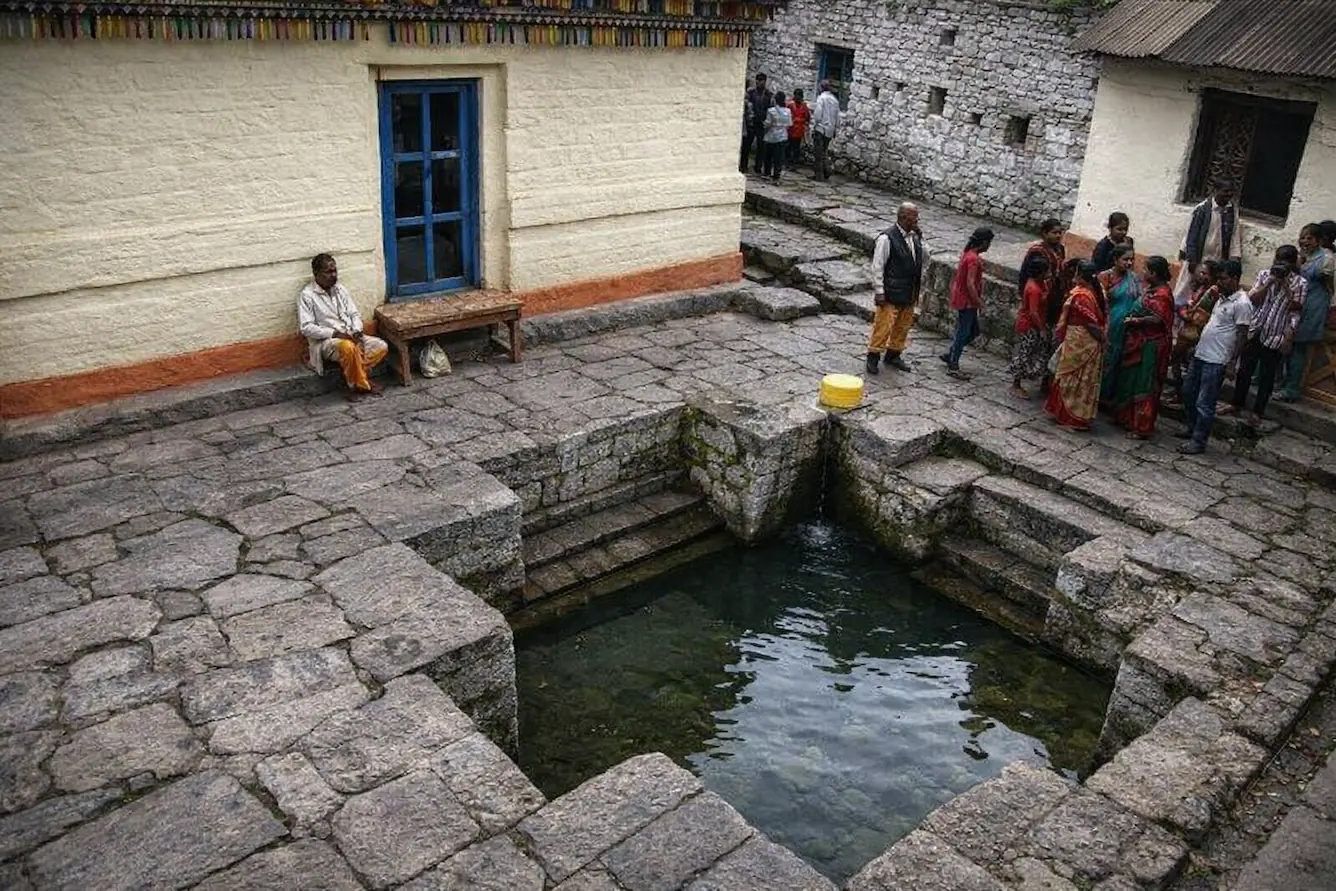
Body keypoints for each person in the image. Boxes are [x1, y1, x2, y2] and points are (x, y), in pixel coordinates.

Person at [1225, 246, 1307, 428]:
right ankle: (1236, 404)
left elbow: (1295, 310)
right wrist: (1270, 282)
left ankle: (1257, 412)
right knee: (1245, 370)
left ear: (1292, 264)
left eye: (1284, 263)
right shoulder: (1264, 275)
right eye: (1277, 260)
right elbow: (1252, 299)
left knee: (1266, 377)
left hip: (1276, 333)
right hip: (1256, 329)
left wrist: (1285, 285)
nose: (1279, 265)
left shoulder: (1300, 283)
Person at [1177, 261, 1250, 455]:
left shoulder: (1242, 303)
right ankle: (1192, 428)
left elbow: (1243, 335)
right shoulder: (1220, 297)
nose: (1220, 282)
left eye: (1224, 278)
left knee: (1205, 402)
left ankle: (1198, 441)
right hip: (1201, 353)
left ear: (1235, 278)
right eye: (1218, 278)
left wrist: (1232, 362)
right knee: (1187, 392)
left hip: (1217, 360)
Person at [298, 254, 389, 400]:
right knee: (348, 347)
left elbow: (354, 314)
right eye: (328, 272)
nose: (333, 275)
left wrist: (357, 331)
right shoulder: (307, 295)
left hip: (350, 334)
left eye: (335, 271)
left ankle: (358, 381)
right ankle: (358, 386)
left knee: (381, 346)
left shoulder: (340, 289)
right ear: (316, 274)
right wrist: (334, 333)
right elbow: (306, 327)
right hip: (326, 342)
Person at [1110, 256, 1175, 440]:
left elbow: (1157, 319)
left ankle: (1141, 426)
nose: (1143, 273)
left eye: (1146, 270)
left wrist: (1137, 320)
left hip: (1150, 347)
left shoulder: (1162, 294)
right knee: (1129, 379)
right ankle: (1125, 418)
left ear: (1154, 273)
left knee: (1144, 384)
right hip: (1137, 342)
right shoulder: (1151, 289)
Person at [1044, 261, 1107, 432]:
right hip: (1087, 341)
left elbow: (1091, 323)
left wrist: (1101, 338)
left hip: (1080, 341)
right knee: (1083, 378)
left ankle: (1071, 418)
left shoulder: (1082, 296)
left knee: (1070, 375)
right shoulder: (1097, 290)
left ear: (1080, 275)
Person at [867, 202, 926, 374]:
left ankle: (893, 354)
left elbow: (924, 259)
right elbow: (878, 266)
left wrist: (921, 240)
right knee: (883, 326)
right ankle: (873, 356)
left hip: (909, 290)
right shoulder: (886, 238)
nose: (917, 219)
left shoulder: (915, 238)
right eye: (914, 216)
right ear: (903, 217)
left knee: (903, 325)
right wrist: (879, 291)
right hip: (891, 291)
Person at [1278, 223, 1334, 401]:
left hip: (1312, 308)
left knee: (1298, 348)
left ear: (1318, 241)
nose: (1304, 241)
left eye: (1309, 238)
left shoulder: (1326, 259)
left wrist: (1301, 265)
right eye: (1302, 237)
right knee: (1285, 343)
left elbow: (1324, 281)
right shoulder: (1301, 257)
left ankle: (1291, 389)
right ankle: (1281, 381)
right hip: (1295, 305)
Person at [1017, 217, 1068, 394]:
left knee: (1050, 343)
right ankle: (1017, 381)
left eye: (1060, 232)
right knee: (1029, 345)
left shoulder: (1060, 249)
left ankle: (1046, 379)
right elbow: (1025, 277)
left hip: (1054, 302)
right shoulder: (1037, 252)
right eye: (1054, 232)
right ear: (1044, 233)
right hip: (1037, 303)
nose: (1058, 236)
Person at [1173, 185, 1242, 306]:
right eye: (1225, 190)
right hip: (1197, 259)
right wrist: (1193, 262)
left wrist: (1234, 257)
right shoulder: (1202, 209)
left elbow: (1234, 235)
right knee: (1185, 290)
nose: (1228, 195)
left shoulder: (1231, 211)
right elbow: (1191, 235)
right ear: (1215, 190)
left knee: (1207, 294)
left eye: (1231, 192)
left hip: (1216, 260)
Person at [942, 228, 994, 379]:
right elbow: (970, 283)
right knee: (963, 332)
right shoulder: (973, 259)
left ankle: (952, 353)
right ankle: (953, 363)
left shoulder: (969, 254)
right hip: (967, 301)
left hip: (963, 298)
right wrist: (979, 303)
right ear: (984, 243)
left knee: (973, 331)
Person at [1166, 261, 1221, 403]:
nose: (1200, 276)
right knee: (1179, 361)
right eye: (1200, 272)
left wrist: (1182, 312)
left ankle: (1183, 394)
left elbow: (1198, 315)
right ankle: (1180, 391)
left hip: (1194, 333)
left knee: (1183, 362)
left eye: (1204, 273)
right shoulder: (1200, 288)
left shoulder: (1212, 292)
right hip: (1188, 331)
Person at [1097, 244, 1144, 405]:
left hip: (1127, 327)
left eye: (1132, 259)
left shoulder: (1134, 279)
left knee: (1119, 362)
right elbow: (1098, 302)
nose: (1129, 263)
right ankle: (1095, 395)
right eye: (1125, 259)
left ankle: (1108, 397)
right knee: (1104, 360)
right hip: (1109, 326)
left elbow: (1141, 300)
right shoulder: (1105, 277)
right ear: (1116, 259)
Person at [1008, 254, 1051, 398]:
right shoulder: (1034, 289)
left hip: (1032, 323)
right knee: (1024, 353)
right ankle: (1016, 384)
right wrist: (1042, 329)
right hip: (1029, 325)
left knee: (1029, 352)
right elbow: (1033, 312)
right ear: (1040, 273)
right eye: (1046, 272)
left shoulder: (1038, 284)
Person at [739, 73, 773, 174]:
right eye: (758, 80)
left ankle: (758, 167)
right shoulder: (751, 93)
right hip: (751, 122)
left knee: (761, 147)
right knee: (746, 146)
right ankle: (743, 165)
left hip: (761, 123)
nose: (759, 83)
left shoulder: (768, 95)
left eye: (762, 80)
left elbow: (770, 108)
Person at [810, 80, 840, 182]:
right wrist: (835, 129)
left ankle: (819, 176)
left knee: (818, 153)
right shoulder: (835, 101)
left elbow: (818, 114)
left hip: (821, 128)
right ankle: (826, 171)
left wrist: (815, 124)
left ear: (822, 88)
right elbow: (837, 118)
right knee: (824, 152)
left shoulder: (821, 98)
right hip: (830, 131)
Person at [761, 92, 792, 182]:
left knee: (768, 156)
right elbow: (789, 124)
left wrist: (764, 125)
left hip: (771, 136)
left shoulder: (771, 111)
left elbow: (768, 123)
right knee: (778, 158)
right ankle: (776, 176)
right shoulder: (788, 111)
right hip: (782, 136)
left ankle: (767, 173)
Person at [786, 88, 811, 166]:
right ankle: (788, 161)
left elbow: (807, 117)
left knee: (796, 147)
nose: (798, 98)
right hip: (791, 129)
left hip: (799, 130)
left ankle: (794, 161)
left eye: (799, 96)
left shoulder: (804, 106)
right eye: (796, 96)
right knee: (789, 146)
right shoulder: (790, 105)